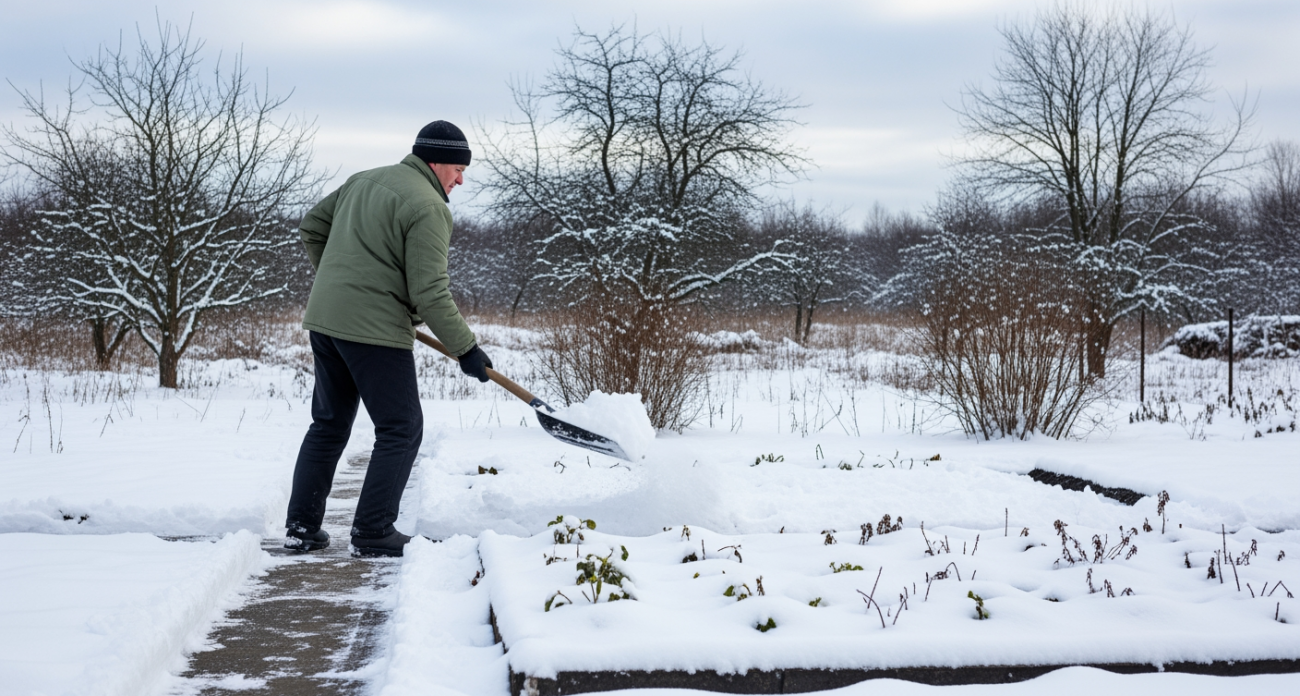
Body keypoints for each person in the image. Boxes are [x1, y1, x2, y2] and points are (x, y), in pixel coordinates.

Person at [283, 120, 493, 557]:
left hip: (326, 320)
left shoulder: (363, 180)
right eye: (457, 168)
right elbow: (430, 291)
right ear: (434, 161)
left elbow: (311, 228)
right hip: (373, 330)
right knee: (401, 427)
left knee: (328, 425)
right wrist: (467, 349)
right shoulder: (430, 207)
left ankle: (301, 527)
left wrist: (340, 283)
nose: (460, 179)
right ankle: (374, 530)